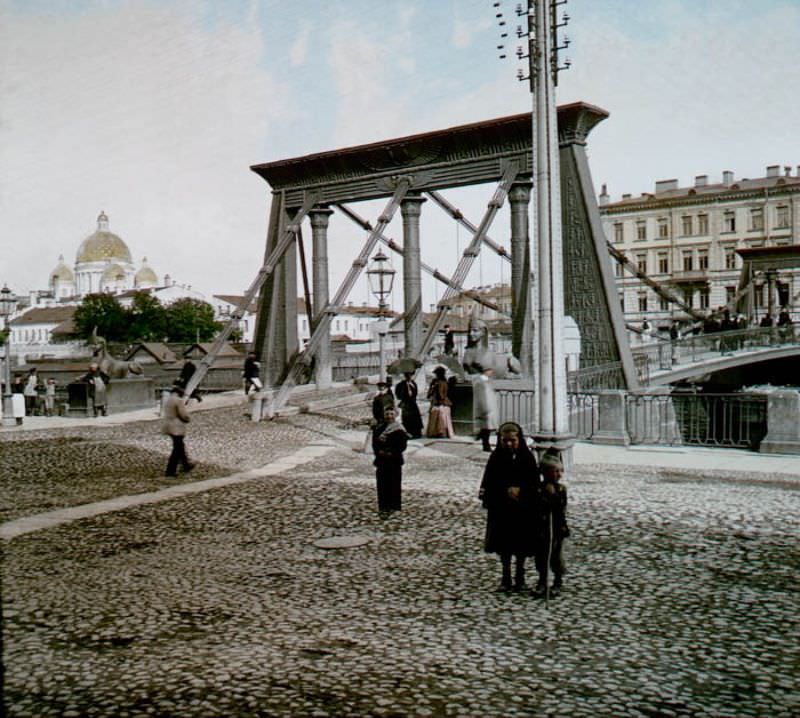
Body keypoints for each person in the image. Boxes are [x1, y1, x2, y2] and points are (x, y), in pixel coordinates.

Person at [478, 422, 540, 592]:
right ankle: (506, 576)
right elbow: (489, 482)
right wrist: (503, 491)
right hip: (502, 509)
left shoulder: (527, 459)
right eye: (505, 440)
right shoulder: (496, 458)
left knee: (521, 543)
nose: (509, 444)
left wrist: (522, 490)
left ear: (519, 439)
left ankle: (520, 576)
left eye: (512, 440)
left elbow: (534, 484)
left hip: (522, 509)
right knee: (503, 544)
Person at [534, 449, 570, 598]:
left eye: (560, 471)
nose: (558, 475)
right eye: (555, 471)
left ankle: (558, 581)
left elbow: (560, 508)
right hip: (541, 527)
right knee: (541, 556)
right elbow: (537, 506)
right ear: (545, 472)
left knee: (556, 555)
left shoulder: (561, 489)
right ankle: (542, 581)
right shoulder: (538, 489)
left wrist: (553, 495)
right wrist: (545, 495)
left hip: (556, 527)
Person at [371, 405, 408, 514]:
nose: (389, 416)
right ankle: (383, 506)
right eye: (387, 414)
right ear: (384, 415)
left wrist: (391, 452)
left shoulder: (399, 429)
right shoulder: (379, 428)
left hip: (394, 461)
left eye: (391, 414)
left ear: (395, 415)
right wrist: (379, 452)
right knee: (382, 485)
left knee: (394, 484)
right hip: (381, 461)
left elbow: (402, 446)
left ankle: (394, 506)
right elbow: (374, 443)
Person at [161, 385, 194, 478]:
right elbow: (183, 415)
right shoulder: (178, 400)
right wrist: (188, 418)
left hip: (168, 426)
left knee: (180, 447)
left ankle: (186, 464)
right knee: (177, 449)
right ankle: (170, 471)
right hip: (177, 427)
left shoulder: (168, 400)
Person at [473, 365, 498, 451]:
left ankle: (480, 437)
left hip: (489, 407)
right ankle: (485, 445)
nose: (492, 372)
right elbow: (480, 396)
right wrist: (484, 408)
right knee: (486, 428)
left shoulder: (487, 381)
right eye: (490, 370)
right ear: (485, 371)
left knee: (487, 428)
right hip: (485, 408)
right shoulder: (480, 382)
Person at [425, 366, 454, 438]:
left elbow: (441, 395)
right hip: (439, 403)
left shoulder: (442, 383)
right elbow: (429, 394)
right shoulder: (438, 382)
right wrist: (432, 387)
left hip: (440, 403)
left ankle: (440, 432)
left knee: (440, 417)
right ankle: (439, 432)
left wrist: (435, 388)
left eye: (437, 374)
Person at [394, 371, 423, 439]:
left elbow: (415, 393)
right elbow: (399, 396)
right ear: (405, 376)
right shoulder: (401, 384)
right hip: (406, 404)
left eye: (410, 375)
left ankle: (416, 433)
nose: (409, 376)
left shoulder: (414, 383)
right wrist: (404, 388)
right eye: (407, 375)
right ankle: (408, 433)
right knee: (407, 419)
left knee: (415, 419)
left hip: (413, 404)